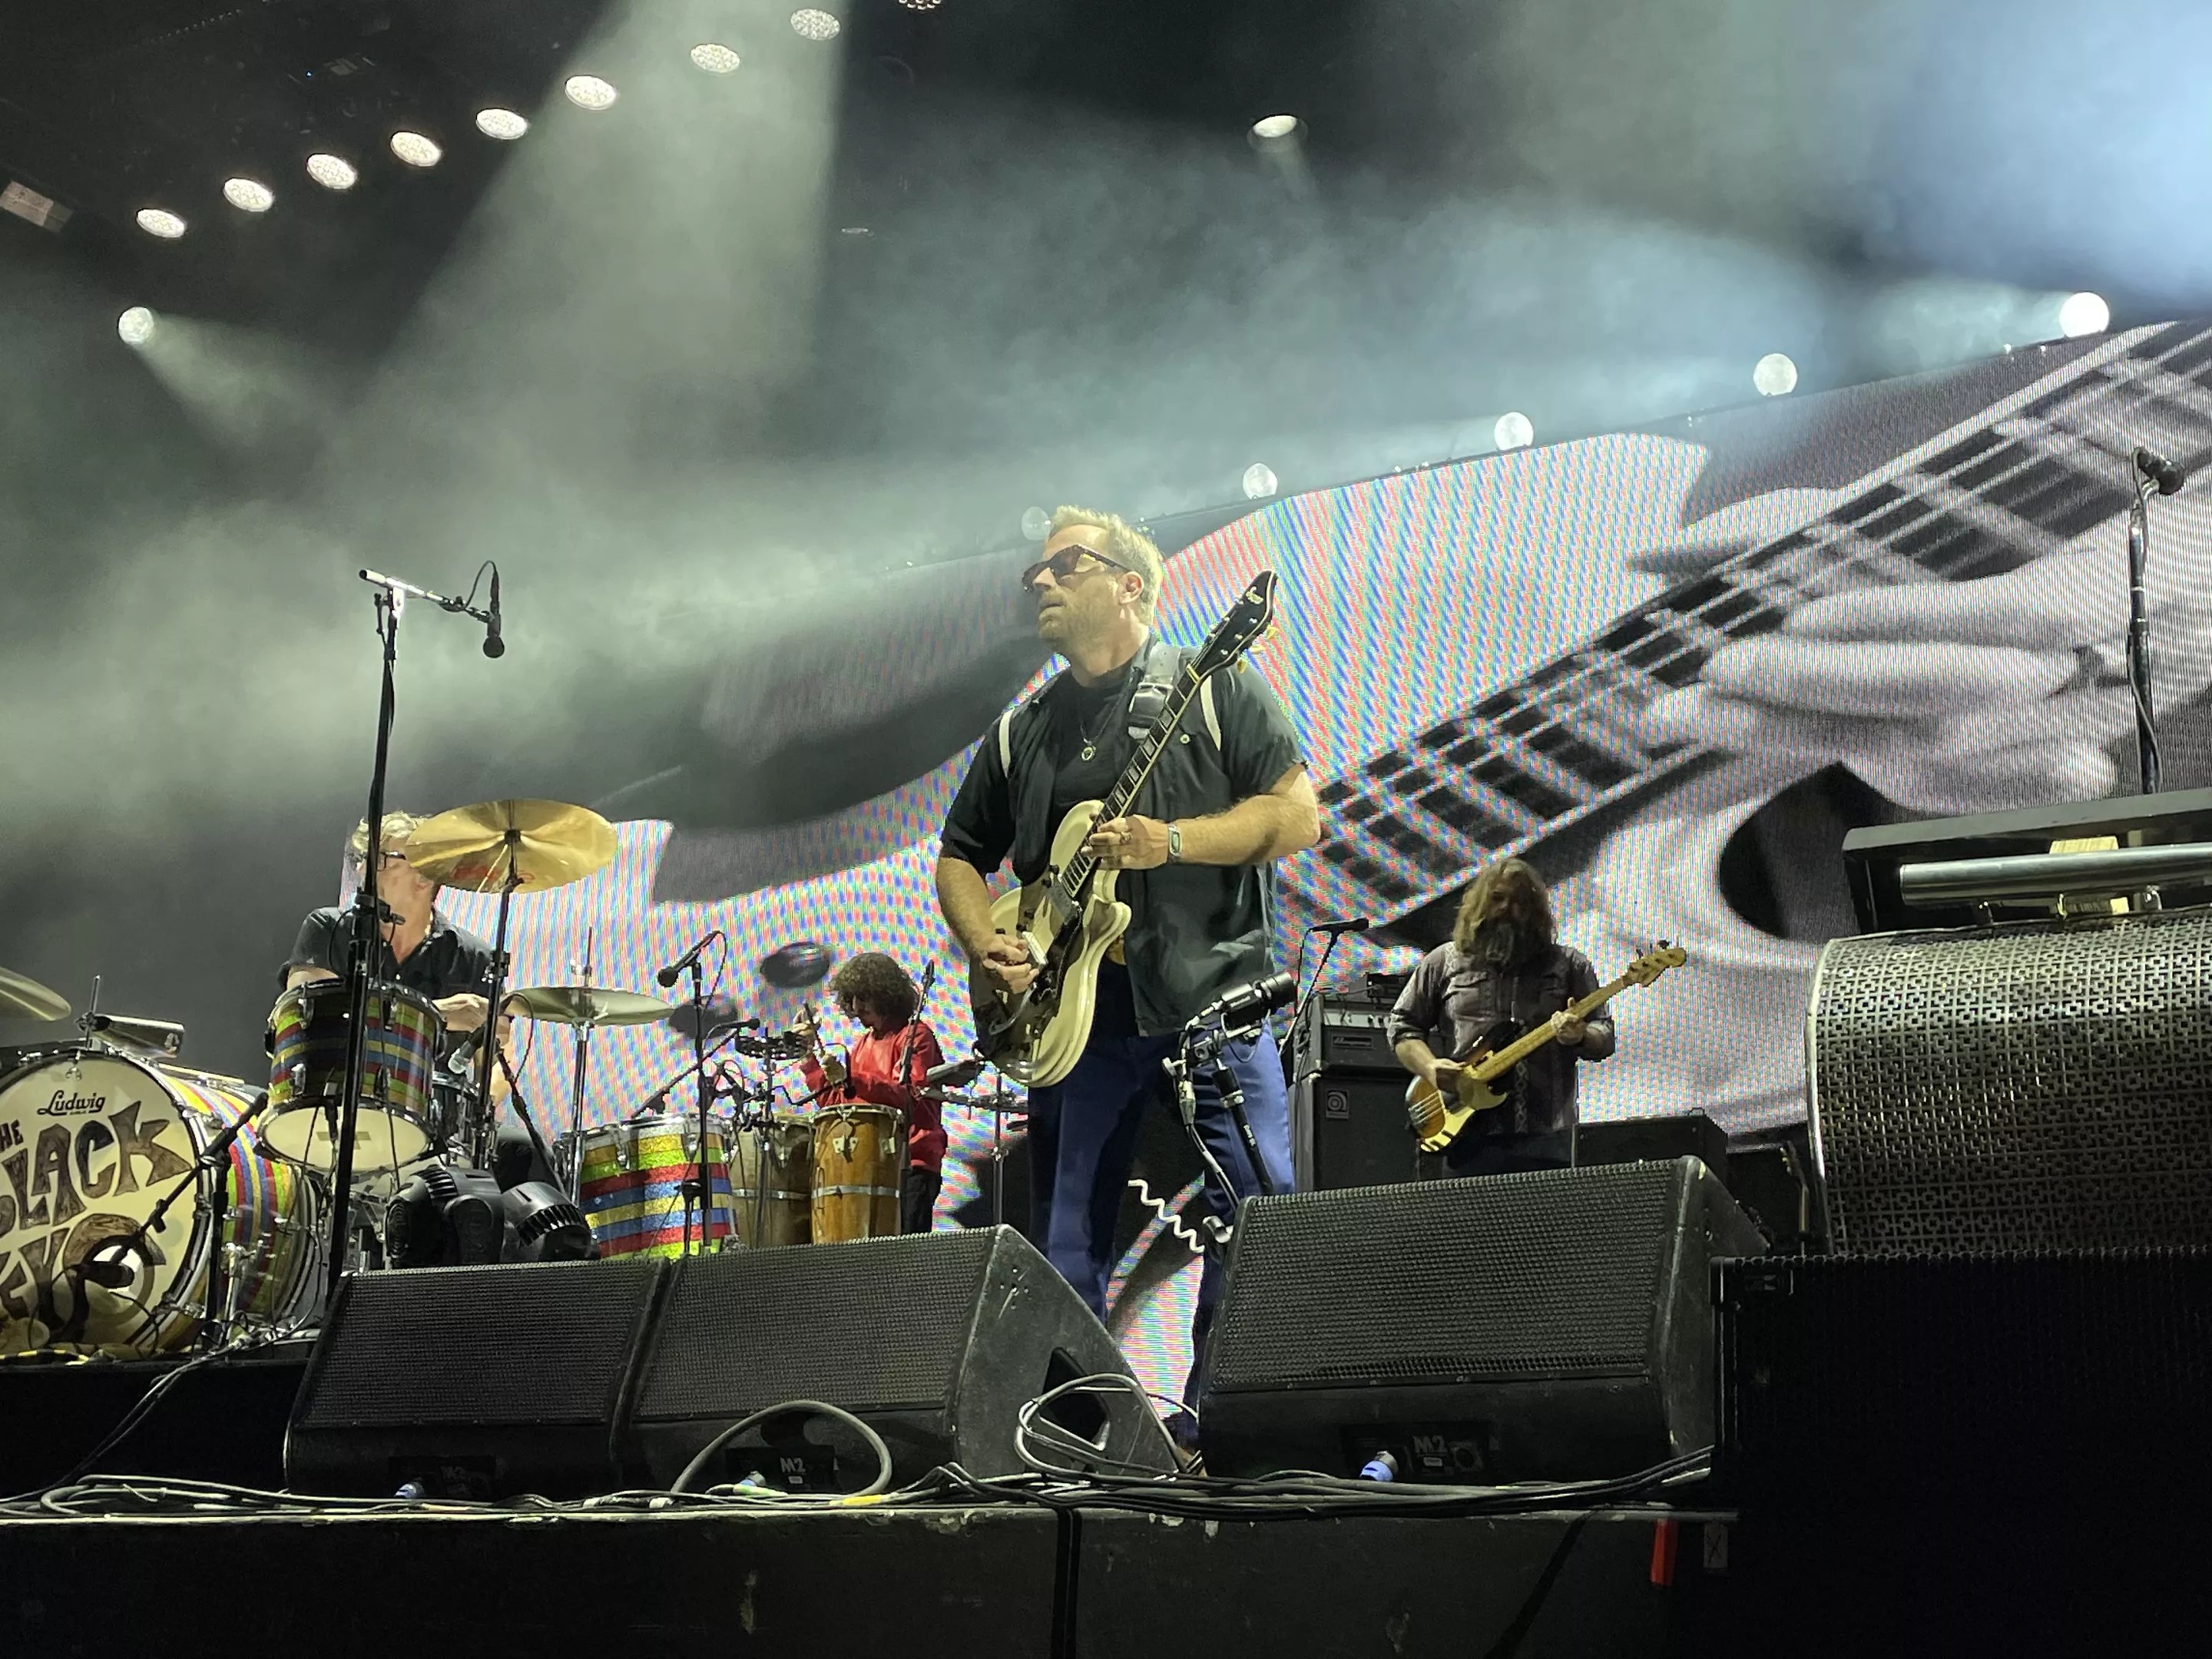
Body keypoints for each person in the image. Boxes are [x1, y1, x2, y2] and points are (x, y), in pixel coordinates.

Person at [934, 505, 1319, 1383]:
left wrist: (1170, 842)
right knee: (1066, 1243)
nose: (1041, 580)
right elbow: (960, 855)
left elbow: (1299, 816)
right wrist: (986, 939)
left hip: (1214, 1003)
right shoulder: (1021, 731)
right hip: (1077, 1024)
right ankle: (1080, 1426)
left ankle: (1221, 1417)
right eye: (1034, 573)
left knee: (1261, 1213)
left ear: (1130, 585)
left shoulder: (1215, 684)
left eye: (1065, 565)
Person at [283, 812, 541, 1187]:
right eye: (364, 859)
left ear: (424, 875)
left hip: (435, 1129)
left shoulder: (474, 957)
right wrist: (433, 1014)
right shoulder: (330, 928)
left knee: (524, 1152)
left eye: (382, 860)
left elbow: (499, 1059)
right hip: (337, 1105)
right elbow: (304, 1015)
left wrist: (480, 1105)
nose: (364, 869)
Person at [1387, 857, 1615, 1177]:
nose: (1507, 908)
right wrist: (1429, 1067)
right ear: (1479, 903)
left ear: (1536, 911)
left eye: (1520, 901)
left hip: (1549, 1139)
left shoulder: (1569, 965)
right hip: (1465, 1136)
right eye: (1497, 898)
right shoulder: (1443, 962)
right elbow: (1402, 1027)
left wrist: (1581, 1036)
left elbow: (1604, 1033)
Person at [796, 952, 949, 1233]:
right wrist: (808, 1059)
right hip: (867, 1163)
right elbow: (839, 1105)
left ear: (884, 995)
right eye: (852, 999)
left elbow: (910, 1096)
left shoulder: (916, 1036)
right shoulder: (862, 1045)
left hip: (912, 1162)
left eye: (863, 998)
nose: (856, 1007)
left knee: (906, 1253)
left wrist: (853, 1078)